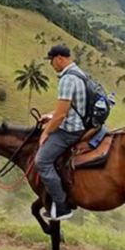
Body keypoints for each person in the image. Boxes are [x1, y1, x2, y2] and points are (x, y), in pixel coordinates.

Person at [36, 45, 87, 221]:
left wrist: (45, 133)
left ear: (59, 58)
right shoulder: (78, 73)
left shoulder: (67, 79)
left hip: (71, 130)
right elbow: (67, 108)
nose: (51, 64)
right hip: (82, 123)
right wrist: (49, 116)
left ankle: (62, 205)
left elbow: (62, 116)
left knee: (42, 161)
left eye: (51, 60)